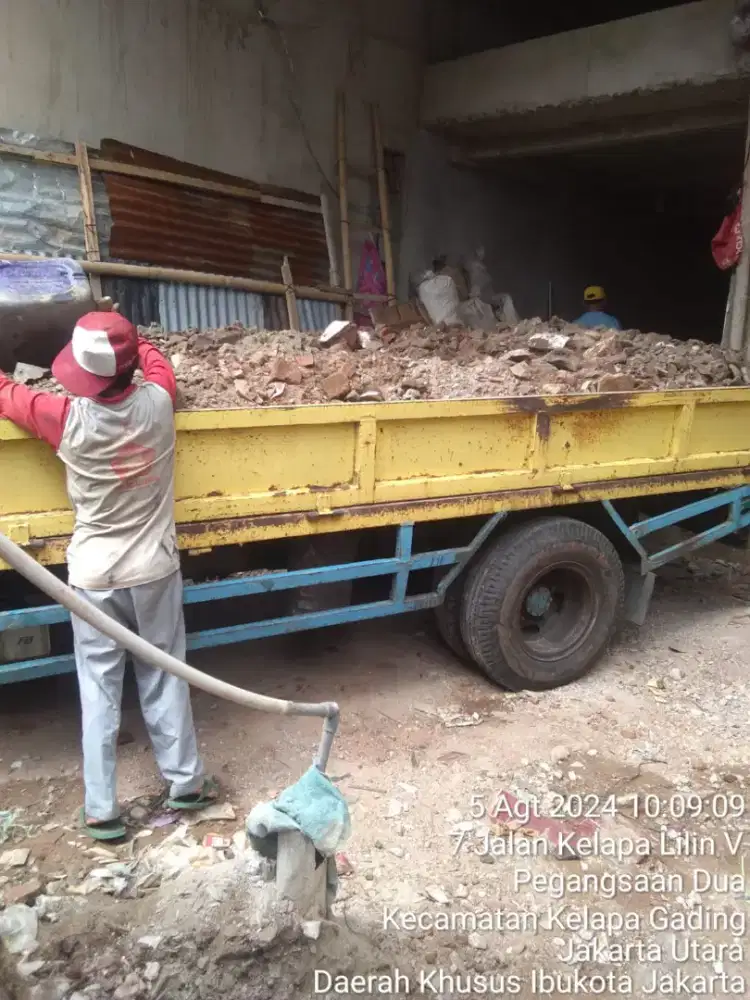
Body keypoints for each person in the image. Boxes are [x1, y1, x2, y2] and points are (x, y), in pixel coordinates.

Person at [0, 312, 216, 840]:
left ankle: (102, 810)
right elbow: (159, 364)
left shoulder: (63, 418)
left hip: (94, 577)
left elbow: (7, 394)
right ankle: (185, 784)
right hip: (155, 570)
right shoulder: (160, 403)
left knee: (98, 687)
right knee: (165, 672)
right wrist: (135, 340)